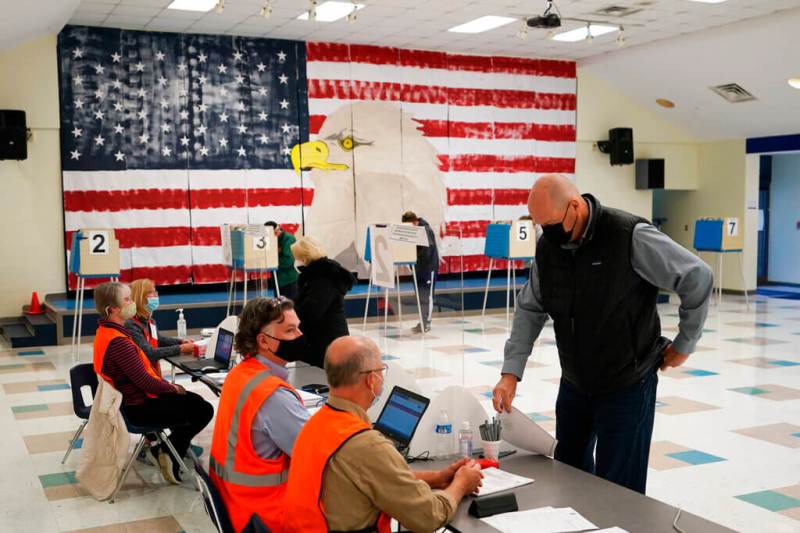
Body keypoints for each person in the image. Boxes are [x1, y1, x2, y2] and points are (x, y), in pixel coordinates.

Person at [492, 174, 714, 495]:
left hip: (627, 383)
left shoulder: (629, 236)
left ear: (574, 207)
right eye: (540, 226)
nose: (546, 234)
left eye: (550, 225)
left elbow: (697, 276)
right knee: (569, 473)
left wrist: (684, 343)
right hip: (575, 383)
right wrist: (511, 372)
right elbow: (530, 307)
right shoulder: (549, 247)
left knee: (619, 488)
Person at [285, 336, 483, 532]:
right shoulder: (366, 445)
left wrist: (437, 477)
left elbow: (375, 478)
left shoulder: (316, 424)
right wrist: (461, 484)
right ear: (371, 380)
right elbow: (428, 516)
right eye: (382, 371)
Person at [92, 282, 214, 485]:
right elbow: (144, 381)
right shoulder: (119, 341)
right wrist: (173, 387)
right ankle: (166, 451)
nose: (131, 303)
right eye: (127, 299)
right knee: (203, 409)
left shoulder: (108, 332)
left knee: (194, 402)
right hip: (138, 407)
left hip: (129, 401)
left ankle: (171, 448)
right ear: (112, 309)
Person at [209, 297, 309, 533]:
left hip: (235, 502)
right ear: (264, 341)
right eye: (290, 330)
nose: (300, 336)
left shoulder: (240, 373)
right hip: (264, 514)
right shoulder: (272, 395)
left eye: (298, 327)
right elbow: (315, 454)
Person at [290, 236, 354, 368]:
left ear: (305, 258)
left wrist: (289, 313)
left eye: (297, 257)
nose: (295, 261)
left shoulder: (324, 277)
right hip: (319, 338)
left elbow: (311, 311)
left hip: (328, 341)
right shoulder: (315, 274)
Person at [125, 278, 204, 377]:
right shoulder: (131, 324)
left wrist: (180, 342)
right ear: (139, 297)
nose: (156, 295)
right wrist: (181, 348)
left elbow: (160, 340)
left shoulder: (149, 320)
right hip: (141, 377)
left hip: (152, 373)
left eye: (155, 292)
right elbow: (149, 353)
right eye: (150, 292)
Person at [401, 211, 440, 333]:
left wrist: (414, 260)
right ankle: (422, 321)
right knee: (420, 297)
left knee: (427, 296)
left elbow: (425, 251)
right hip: (418, 268)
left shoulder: (425, 231)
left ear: (414, 222)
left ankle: (426, 322)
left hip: (428, 268)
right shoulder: (416, 231)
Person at [265, 221, 299, 300]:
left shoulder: (288, 239)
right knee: (279, 306)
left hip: (288, 280)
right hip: (278, 279)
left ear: (276, 231)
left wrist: (272, 260)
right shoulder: (274, 239)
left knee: (288, 306)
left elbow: (288, 261)